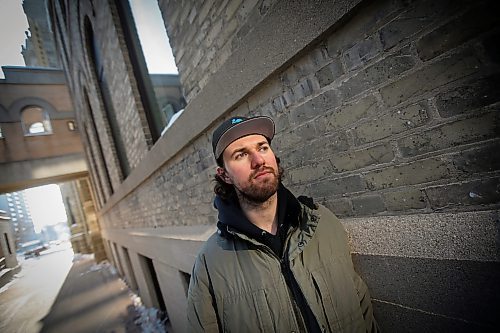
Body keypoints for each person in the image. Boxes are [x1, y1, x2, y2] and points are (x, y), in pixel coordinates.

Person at [187, 116, 379, 332]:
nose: (258, 160)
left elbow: (361, 306)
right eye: (241, 154)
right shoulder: (210, 264)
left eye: (263, 147)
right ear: (224, 175)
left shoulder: (321, 223)